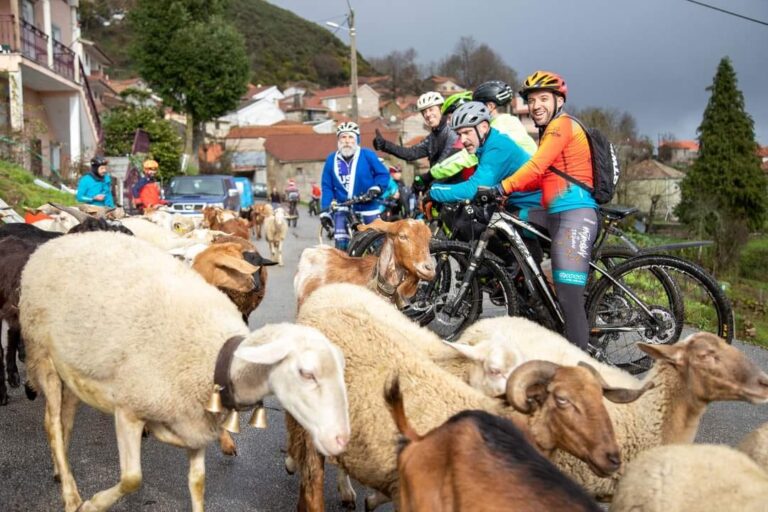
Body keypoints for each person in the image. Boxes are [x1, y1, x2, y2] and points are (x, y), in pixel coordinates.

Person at [492, 71, 599, 351]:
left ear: (558, 100)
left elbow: (536, 166)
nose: (536, 105)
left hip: (574, 214)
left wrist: (502, 187)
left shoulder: (561, 126)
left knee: (568, 297)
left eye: (543, 98)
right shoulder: (549, 130)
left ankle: (577, 364)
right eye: (531, 100)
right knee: (512, 219)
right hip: (553, 213)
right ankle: (533, 285)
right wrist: (508, 195)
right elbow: (542, 177)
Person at [321, 121, 390, 250]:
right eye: (343, 137)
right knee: (341, 248)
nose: (347, 140)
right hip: (343, 209)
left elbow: (382, 174)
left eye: (350, 137)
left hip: (368, 206)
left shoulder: (367, 154)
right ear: (338, 140)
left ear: (357, 139)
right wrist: (325, 212)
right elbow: (327, 187)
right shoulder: (331, 159)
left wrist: (376, 188)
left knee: (378, 245)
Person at [373, 91, 459, 177]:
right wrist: (385, 145)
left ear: (441, 109)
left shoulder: (452, 131)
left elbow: (444, 161)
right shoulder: (432, 137)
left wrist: (426, 179)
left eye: (431, 109)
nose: (428, 114)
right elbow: (411, 153)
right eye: (424, 112)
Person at [473, 80, 538, 155]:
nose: (475, 110)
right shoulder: (511, 121)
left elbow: (474, 155)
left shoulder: (497, 128)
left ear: (490, 106)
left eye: (478, 106)